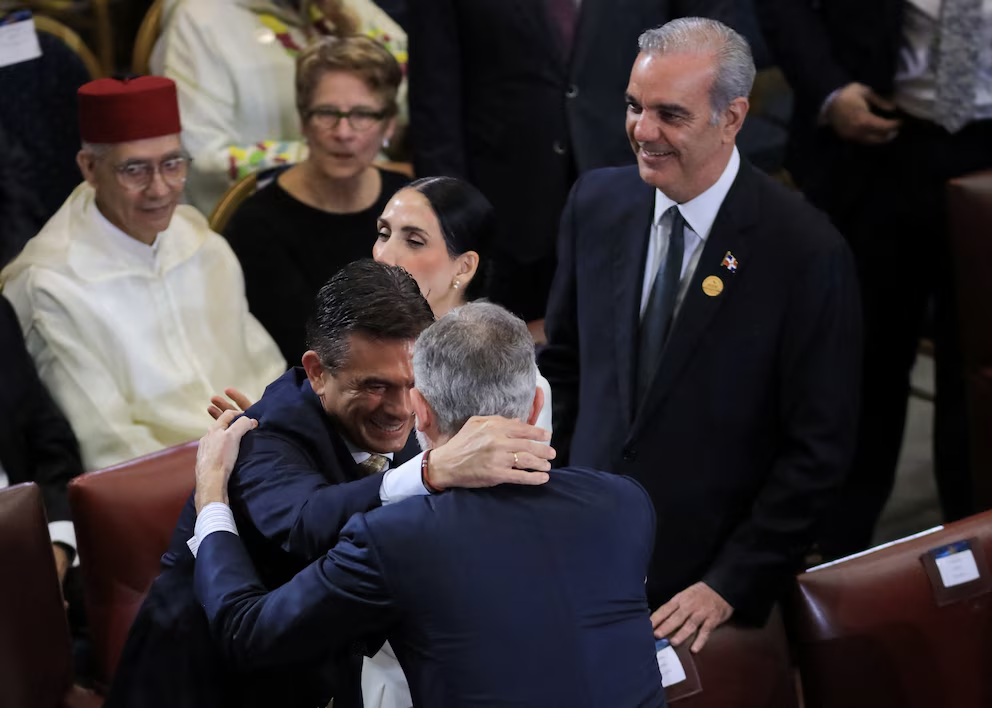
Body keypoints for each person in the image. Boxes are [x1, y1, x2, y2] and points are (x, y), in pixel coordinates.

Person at [540, 18, 861, 651]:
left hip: (702, 591)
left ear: (731, 117)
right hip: (580, 551)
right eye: (634, 106)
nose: (642, 130)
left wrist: (730, 582)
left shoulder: (804, 252)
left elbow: (818, 450)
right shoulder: (596, 204)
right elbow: (566, 369)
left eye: (670, 114)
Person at [107, 261, 555, 708]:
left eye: (412, 383)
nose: (402, 409)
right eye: (375, 386)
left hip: (319, 671)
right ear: (318, 372)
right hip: (200, 682)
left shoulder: (408, 416)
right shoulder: (260, 439)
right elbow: (307, 523)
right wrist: (430, 470)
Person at [191, 301, 668, 708]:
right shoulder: (625, 503)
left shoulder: (394, 539)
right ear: (535, 408)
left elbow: (246, 632)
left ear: (418, 410)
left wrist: (212, 497)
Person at [754, 0, 992, 558]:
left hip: (988, 151)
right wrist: (830, 90)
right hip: (878, 141)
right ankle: (837, 557)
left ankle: (974, 550)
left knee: (978, 370)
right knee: (863, 365)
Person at [0, 76, 285, 471]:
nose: (160, 189)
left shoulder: (204, 245)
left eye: (172, 164)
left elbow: (264, 369)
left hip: (265, 459)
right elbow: (108, 444)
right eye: (134, 169)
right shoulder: (50, 283)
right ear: (90, 168)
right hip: (169, 484)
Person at [407, 0, 732, 324]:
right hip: (503, 215)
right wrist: (448, 218)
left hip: (633, 195)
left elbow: (705, 53)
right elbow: (434, 102)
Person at [225, 35, 410, 365]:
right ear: (303, 122)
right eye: (327, 113)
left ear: (389, 126)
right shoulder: (255, 225)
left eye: (362, 114)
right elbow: (300, 353)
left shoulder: (410, 202)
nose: (343, 132)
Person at [153, 0, 407, 215]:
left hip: (363, 202)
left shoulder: (343, 6)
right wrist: (337, 161)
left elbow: (407, 89)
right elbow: (202, 159)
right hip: (254, 220)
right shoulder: (201, 19)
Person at [373, 175, 553, 432]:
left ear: (464, 267)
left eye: (414, 242)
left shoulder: (510, 380)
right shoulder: (352, 351)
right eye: (384, 234)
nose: (383, 256)